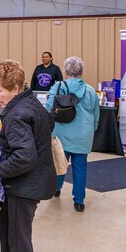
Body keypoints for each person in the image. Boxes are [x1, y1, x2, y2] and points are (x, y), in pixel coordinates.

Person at [0, 59, 56, 252]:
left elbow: (25, 156)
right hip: (31, 180)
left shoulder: (16, 113)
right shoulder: (30, 102)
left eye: (0, 91)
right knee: (7, 227)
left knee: (18, 236)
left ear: (14, 88)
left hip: (24, 185)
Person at [45, 56, 100, 212]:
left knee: (60, 164)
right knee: (80, 167)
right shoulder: (90, 90)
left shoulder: (57, 87)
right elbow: (96, 114)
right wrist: (92, 129)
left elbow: (48, 107)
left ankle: (56, 188)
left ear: (65, 71)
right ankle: (79, 201)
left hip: (61, 133)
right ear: (81, 71)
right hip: (84, 134)